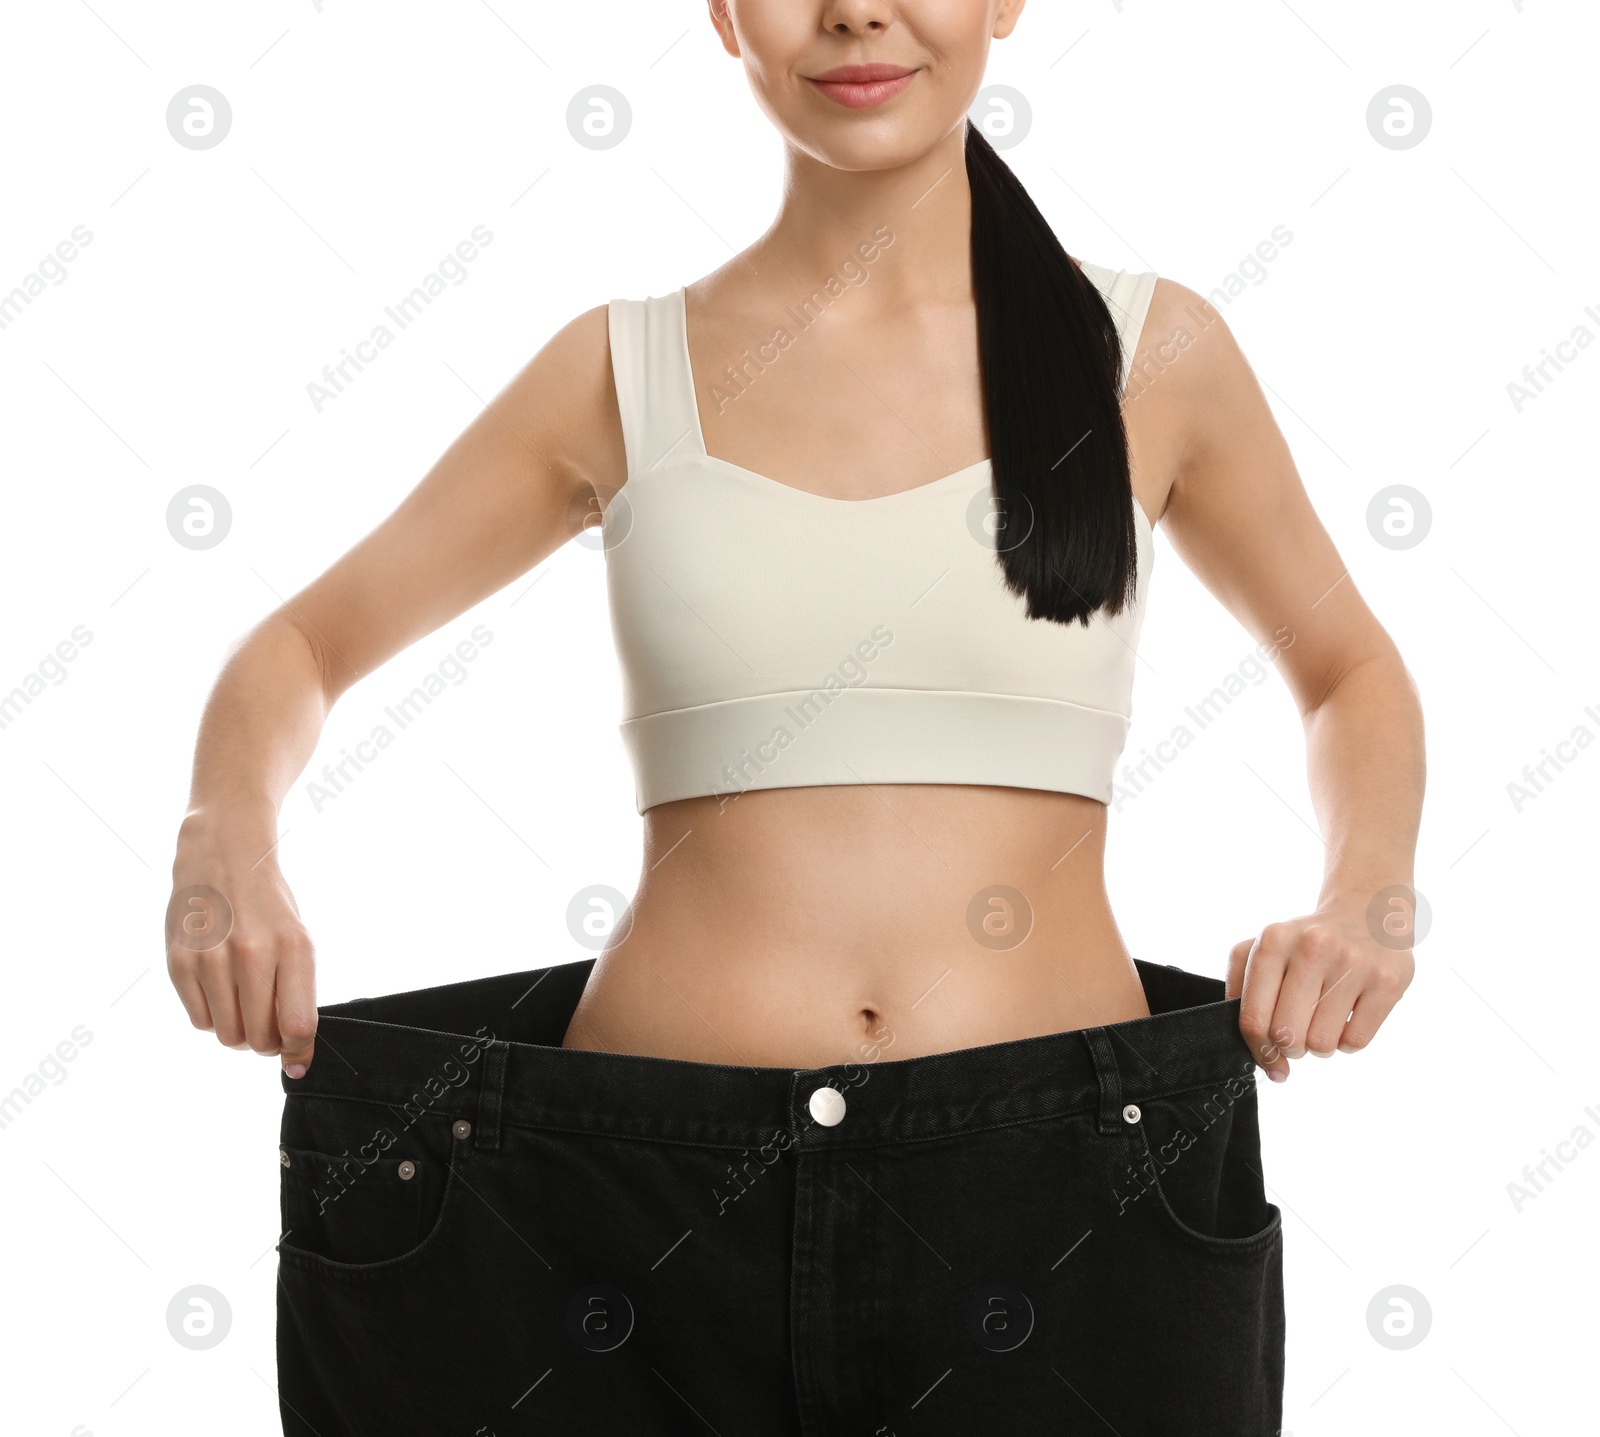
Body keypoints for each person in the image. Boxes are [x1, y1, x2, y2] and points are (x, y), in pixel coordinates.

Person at [167, 3, 1422, 1432]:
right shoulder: (620, 373)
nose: (853, 11)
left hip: (1067, 1201)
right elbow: (303, 642)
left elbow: (1349, 669)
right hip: (634, 1218)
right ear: (720, 15)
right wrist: (227, 837)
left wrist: (1365, 895)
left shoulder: (1152, 351)